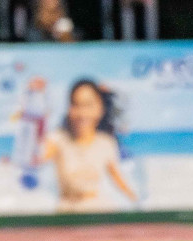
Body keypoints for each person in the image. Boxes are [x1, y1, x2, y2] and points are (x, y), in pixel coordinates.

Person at [39, 80, 138, 213]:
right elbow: (36, 160)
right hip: (66, 212)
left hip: (98, 212)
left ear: (100, 109)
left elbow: (118, 179)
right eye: (76, 105)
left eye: (88, 105)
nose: (82, 112)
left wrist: (138, 203)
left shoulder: (106, 142)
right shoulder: (58, 139)